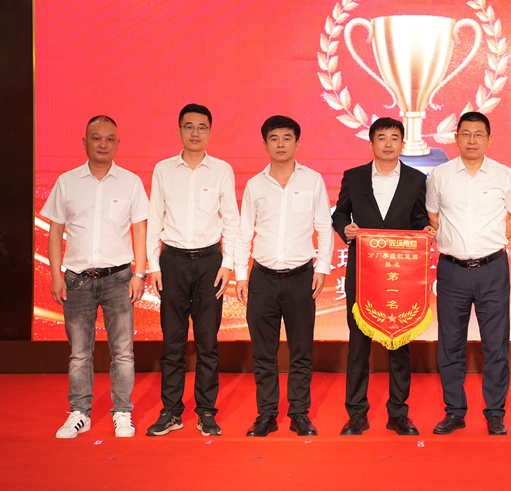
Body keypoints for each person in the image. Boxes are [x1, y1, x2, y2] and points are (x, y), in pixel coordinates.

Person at [43, 115, 148, 439]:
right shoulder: (67, 181)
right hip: (76, 280)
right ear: (85, 142)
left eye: (110, 139)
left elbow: (140, 230)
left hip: (119, 279)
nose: (103, 144)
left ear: (118, 143)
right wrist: (56, 276)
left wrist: (139, 273)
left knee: (123, 352)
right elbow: (55, 231)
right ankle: (80, 413)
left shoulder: (130, 182)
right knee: (79, 353)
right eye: (96, 138)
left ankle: (123, 412)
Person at [426, 111, 511, 436]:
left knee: (495, 344)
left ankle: (495, 413)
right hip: (452, 271)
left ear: (489, 139)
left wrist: (493, 240)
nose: (472, 140)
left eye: (478, 134)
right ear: (456, 138)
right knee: (450, 344)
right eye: (466, 134)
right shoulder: (439, 175)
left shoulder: (504, 175)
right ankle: (454, 411)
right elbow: (433, 216)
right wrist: (455, 241)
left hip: (492, 269)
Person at [234, 115, 334, 437]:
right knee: (264, 351)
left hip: (300, 277)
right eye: (274, 138)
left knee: (301, 350)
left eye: (287, 138)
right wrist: (241, 275)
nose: (280, 144)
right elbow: (243, 232)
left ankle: (299, 414)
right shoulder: (255, 184)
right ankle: (266, 414)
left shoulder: (313, 180)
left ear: (297, 143)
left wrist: (322, 268)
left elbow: (325, 226)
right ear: (265, 144)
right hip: (261, 278)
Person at [332, 117, 432, 436]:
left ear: (402, 144)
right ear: (371, 143)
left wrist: (425, 229)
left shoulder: (417, 179)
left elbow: (418, 218)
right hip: (363, 272)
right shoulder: (354, 177)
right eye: (382, 137)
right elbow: (339, 213)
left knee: (398, 342)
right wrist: (344, 228)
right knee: (358, 345)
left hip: (400, 275)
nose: (388, 144)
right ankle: (356, 414)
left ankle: (398, 413)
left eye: (394, 138)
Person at [145, 104, 240, 437]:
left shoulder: (222, 170)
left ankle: (206, 412)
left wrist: (228, 264)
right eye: (189, 126)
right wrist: (153, 265)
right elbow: (154, 218)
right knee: (172, 343)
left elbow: (232, 220)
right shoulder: (163, 170)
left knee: (207, 342)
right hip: (172, 262)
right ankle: (171, 411)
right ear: (179, 131)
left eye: (202, 127)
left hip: (210, 263)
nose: (195, 132)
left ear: (210, 132)